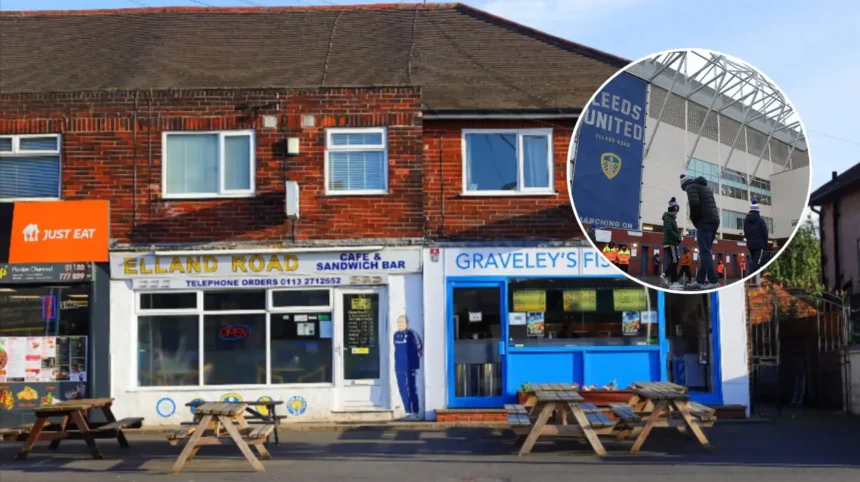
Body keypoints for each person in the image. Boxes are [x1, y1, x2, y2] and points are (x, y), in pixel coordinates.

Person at [680, 173, 720, 289]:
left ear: (685, 185)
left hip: (705, 222)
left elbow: (694, 204)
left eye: (684, 189)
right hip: (714, 221)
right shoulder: (705, 188)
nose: (686, 191)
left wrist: (694, 219)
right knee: (705, 252)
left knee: (704, 252)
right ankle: (699, 280)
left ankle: (713, 281)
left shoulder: (691, 187)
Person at [393, 315, 423, 419]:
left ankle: (415, 411)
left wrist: (414, 362)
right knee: (402, 389)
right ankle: (408, 411)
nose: (399, 324)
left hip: (410, 367)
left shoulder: (412, 334)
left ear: (406, 323)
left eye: (401, 322)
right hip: (399, 367)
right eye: (398, 322)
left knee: (411, 388)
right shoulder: (396, 335)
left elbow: (419, 348)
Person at [660, 197, 683, 289]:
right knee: (675, 261)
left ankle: (671, 279)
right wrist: (678, 237)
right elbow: (669, 231)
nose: (676, 212)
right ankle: (668, 277)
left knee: (675, 261)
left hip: (672, 243)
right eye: (675, 211)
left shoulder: (671, 218)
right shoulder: (668, 218)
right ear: (672, 210)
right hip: (670, 243)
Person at [743, 199, 769, 276]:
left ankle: (756, 278)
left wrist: (749, 240)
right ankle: (750, 277)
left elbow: (745, 232)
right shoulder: (760, 220)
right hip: (759, 244)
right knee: (757, 262)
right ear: (757, 211)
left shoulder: (746, 221)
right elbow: (765, 233)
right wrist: (765, 243)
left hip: (750, 244)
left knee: (754, 261)